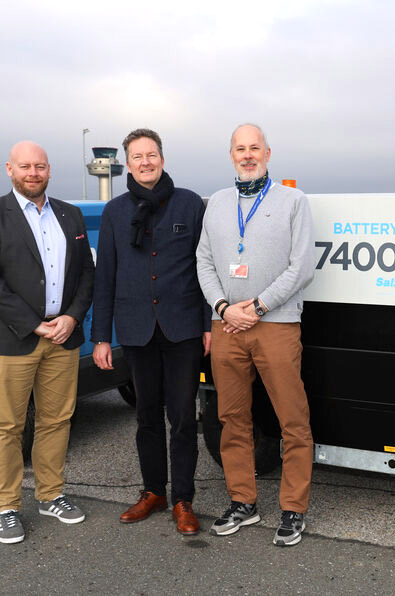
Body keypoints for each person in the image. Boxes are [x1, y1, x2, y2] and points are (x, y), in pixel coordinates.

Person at [0, 141, 95, 544]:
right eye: (25, 166)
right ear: (10, 169)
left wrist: (71, 316)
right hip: (13, 339)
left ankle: (51, 494)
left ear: (49, 170)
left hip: (63, 336)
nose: (33, 173)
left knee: (56, 420)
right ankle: (5, 507)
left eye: (40, 166)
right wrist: (35, 325)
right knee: (6, 425)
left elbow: (87, 274)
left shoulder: (69, 214)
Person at [196, 123, 315, 546]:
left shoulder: (292, 201)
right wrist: (225, 308)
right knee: (231, 419)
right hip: (227, 325)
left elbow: (301, 267)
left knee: (292, 420)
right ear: (231, 155)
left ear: (268, 152)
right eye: (240, 149)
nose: (248, 155)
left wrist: (259, 307)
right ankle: (243, 502)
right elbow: (204, 263)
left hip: (276, 324)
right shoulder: (218, 204)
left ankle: (293, 508)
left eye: (255, 148)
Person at [91, 128, 210, 535]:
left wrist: (209, 323)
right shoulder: (115, 212)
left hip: (183, 329)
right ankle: (152, 492)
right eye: (138, 156)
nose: (145, 161)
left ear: (162, 157)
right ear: (127, 162)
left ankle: (183, 499)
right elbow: (104, 276)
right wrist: (101, 336)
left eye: (152, 154)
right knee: (146, 417)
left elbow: (206, 269)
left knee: (182, 418)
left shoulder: (191, 204)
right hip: (136, 330)